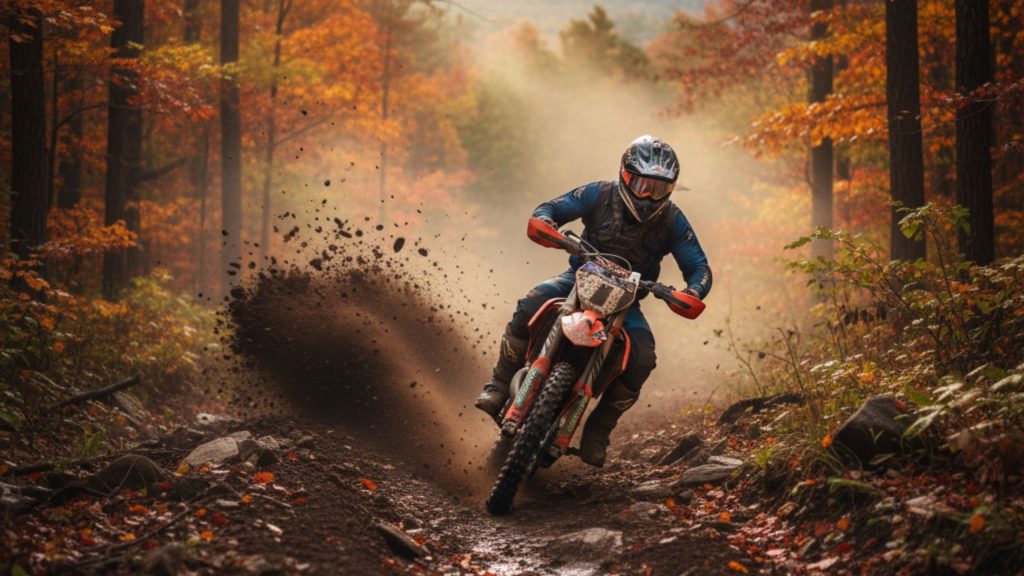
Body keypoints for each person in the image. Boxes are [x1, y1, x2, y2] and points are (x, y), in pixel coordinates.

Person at [474, 135, 713, 468]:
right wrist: (548, 225)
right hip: (576, 280)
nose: (647, 196)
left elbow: (698, 266)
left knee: (642, 358)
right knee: (530, 304)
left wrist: (693, 291)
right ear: (625, 176)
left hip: (626, 303)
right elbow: (552, 209)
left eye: (657, 189)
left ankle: (598, 430)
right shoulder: (598, 193)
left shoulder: (673, 220)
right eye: (642, 184)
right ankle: (499, 383)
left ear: (670, 189)